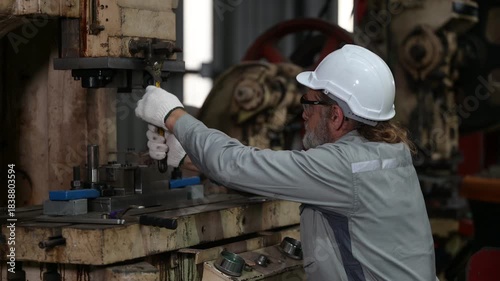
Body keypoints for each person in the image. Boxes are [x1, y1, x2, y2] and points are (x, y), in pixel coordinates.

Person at [136, 44, 438, 281]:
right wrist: (187, 159)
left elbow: (233, 164)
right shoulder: (388, 152)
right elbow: (267, 174)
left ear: (336, 116)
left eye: (310, 103)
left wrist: (174, 116)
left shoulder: (342, 168)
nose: (302, 113)